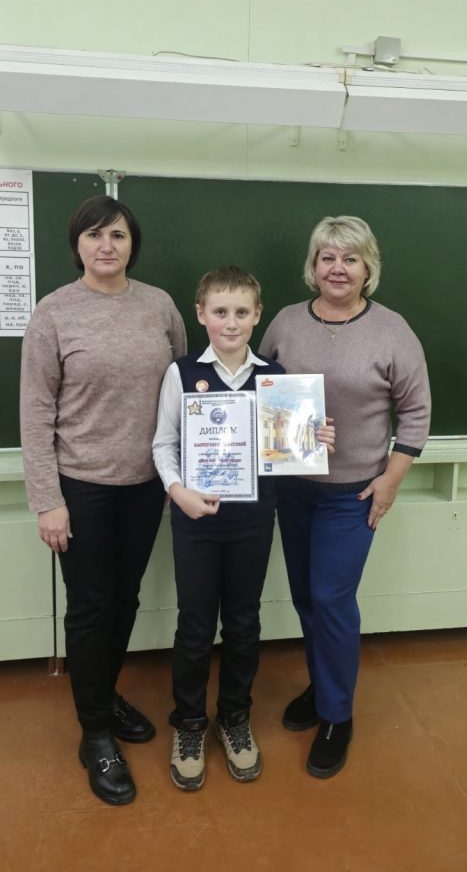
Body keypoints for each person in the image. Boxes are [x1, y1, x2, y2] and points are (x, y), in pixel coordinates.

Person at [20, 195, 186, 806]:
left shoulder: (160, 306)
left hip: (146, 483)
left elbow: (184, 386)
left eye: (117, 234)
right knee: (91, 608)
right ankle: (94, 734)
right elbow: (35, 412)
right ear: (77, 245)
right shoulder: (53, 313)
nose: (106, 245)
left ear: (132, 243)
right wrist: (48, 500)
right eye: (93, 235)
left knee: (124, 598)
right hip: (81, 487)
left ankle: (104, 694)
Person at [259, 215, 431, 779]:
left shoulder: (392, 330)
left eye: (350, 259)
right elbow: (260, 391)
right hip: (292, 489)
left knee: (331, 598)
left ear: (367, 268)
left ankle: (337, 715)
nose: (338, 268)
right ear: (313, 266)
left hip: (353, 495)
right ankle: (321, 685)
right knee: (307, 598)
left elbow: (416, 411)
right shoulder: (285, 322)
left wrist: (391, 479)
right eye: (327, 257)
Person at [152, 265, 336, 791]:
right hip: (195, 520)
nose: (229, 322)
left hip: (253, 520)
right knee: (194, 625)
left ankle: (234, 717)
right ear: (201, 314)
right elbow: (163, 443)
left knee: (242, 622)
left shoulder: (274, 377)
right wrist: (178, 491)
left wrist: (314, 438)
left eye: (240, 312)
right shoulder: (181, 373)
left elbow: (289, 450)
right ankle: (190, 723)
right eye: (219, 311)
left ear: (257, 315)